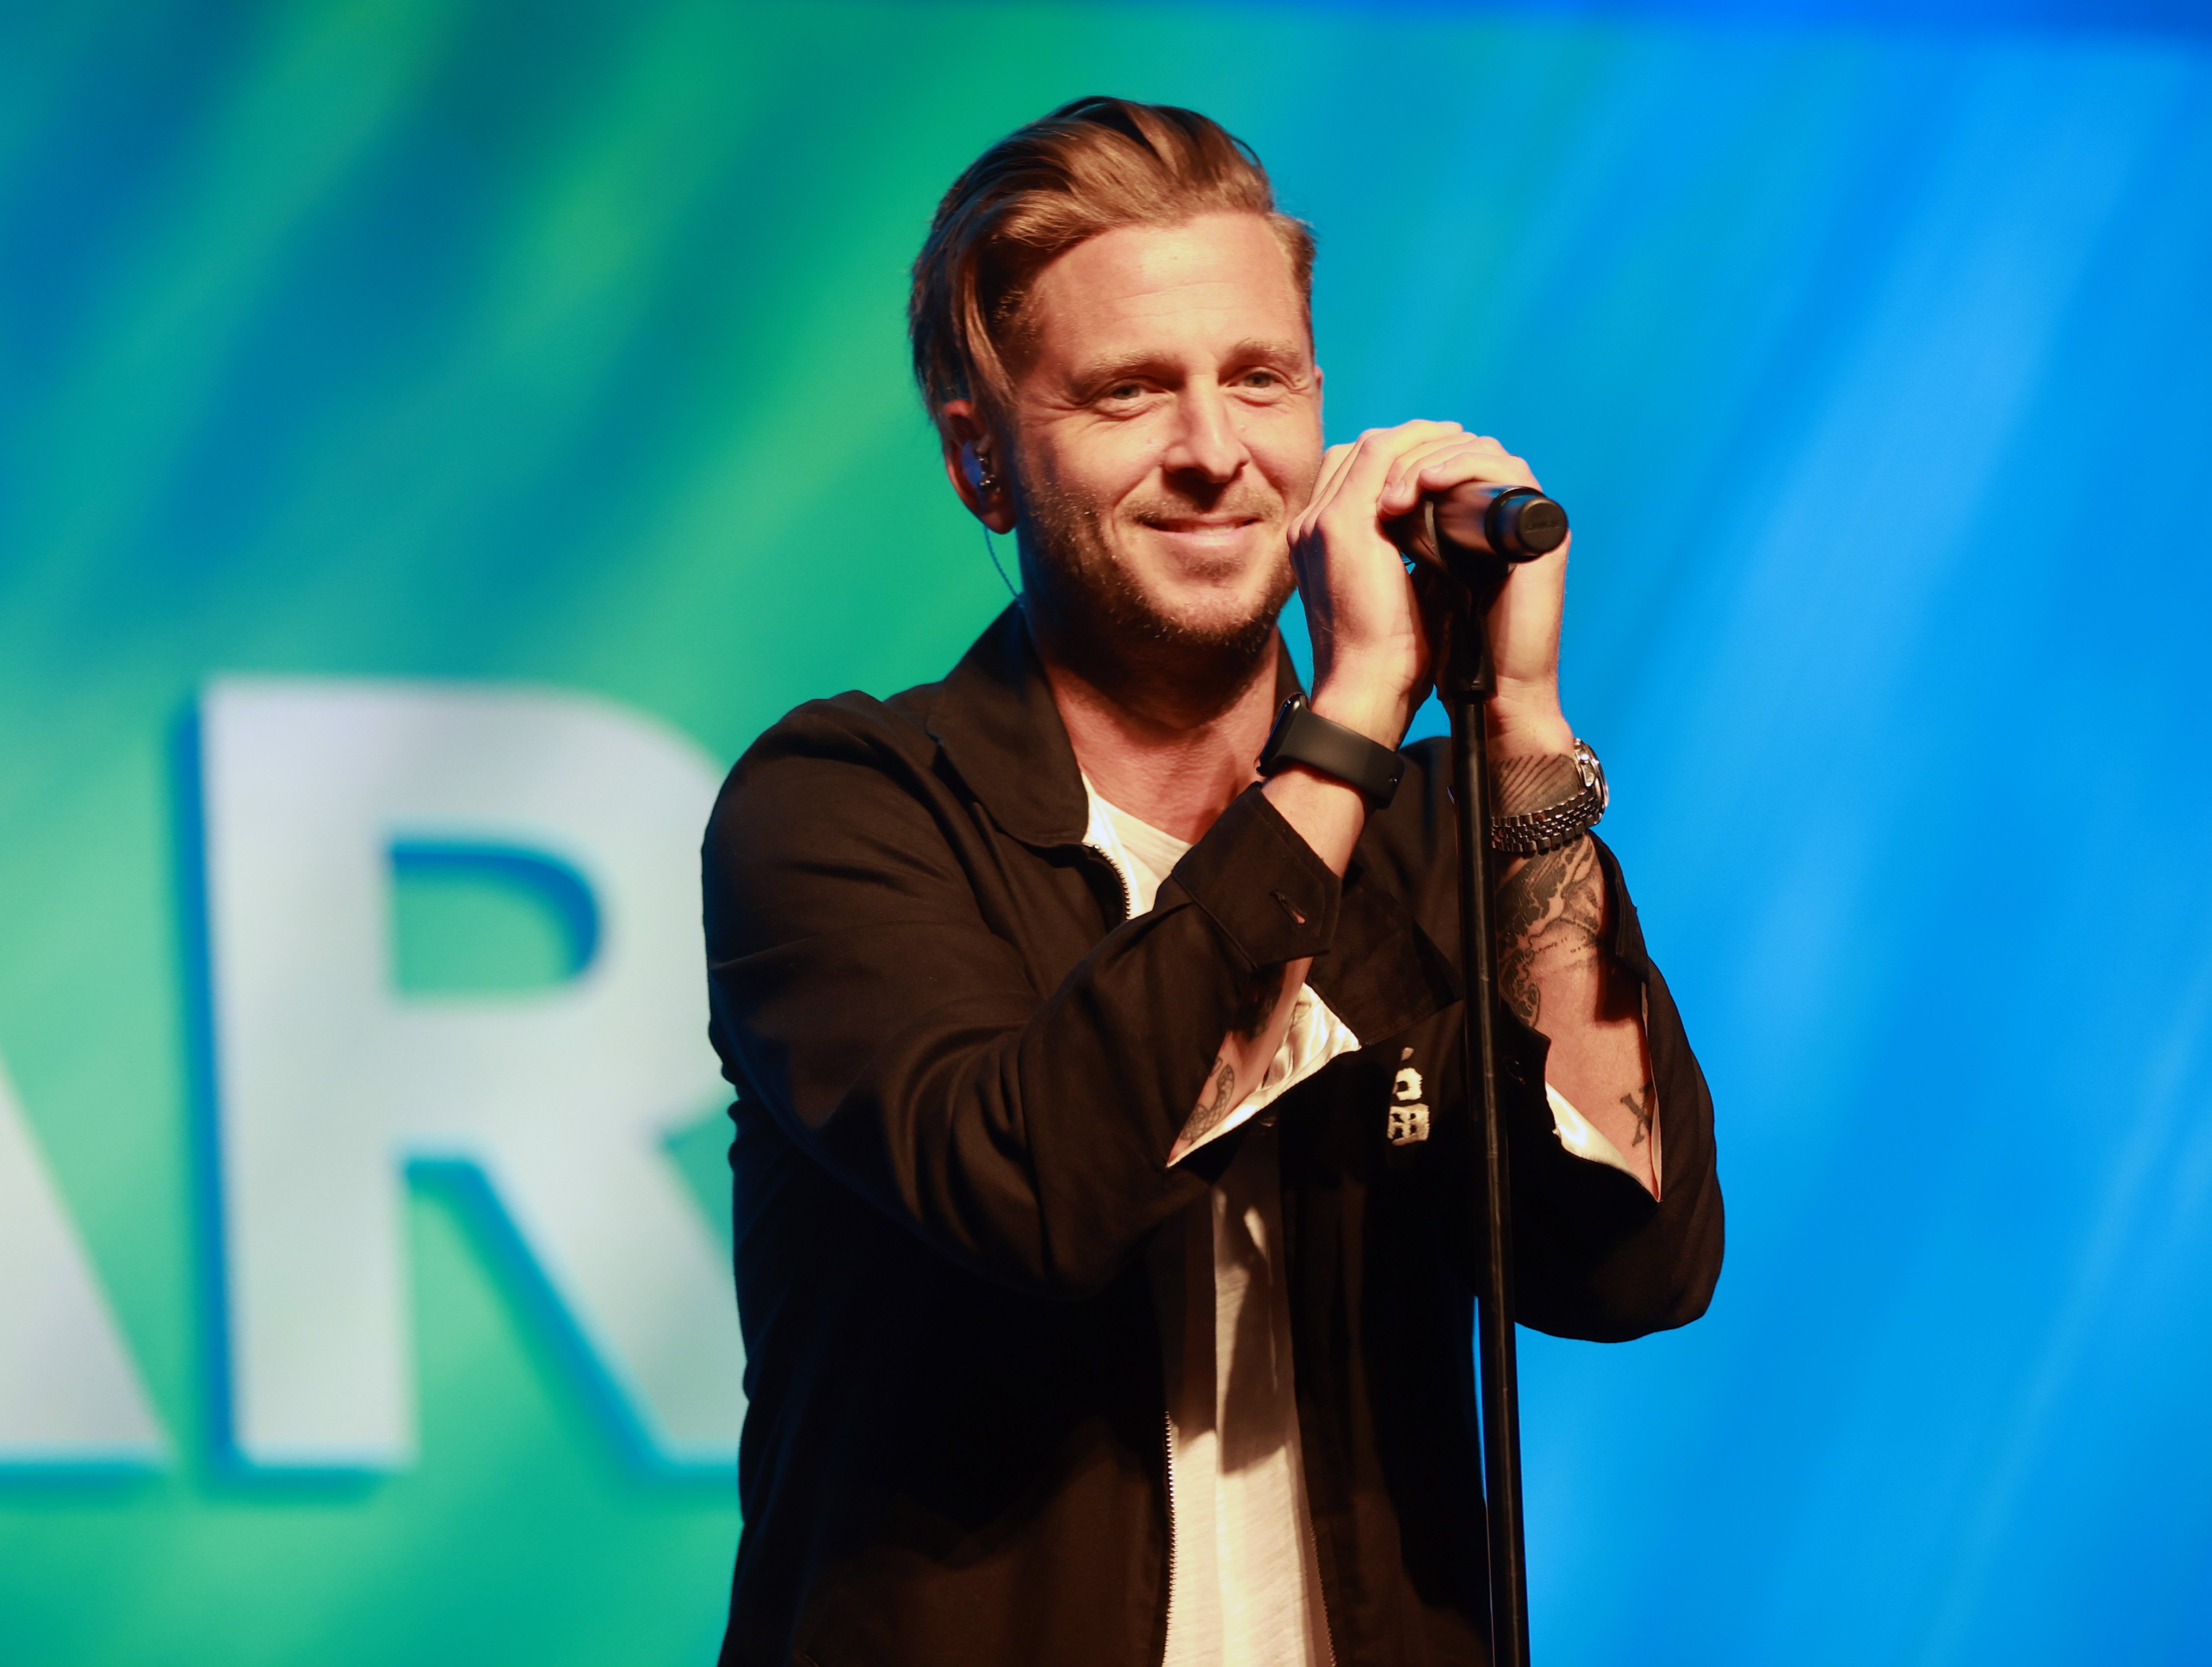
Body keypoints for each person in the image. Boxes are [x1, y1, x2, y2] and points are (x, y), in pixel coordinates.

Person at [702, 96, 1722, 1667]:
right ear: (984, 463)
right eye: (1129, 393)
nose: (1212, 453)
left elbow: (1632, 1264)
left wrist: (1519, 744)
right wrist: (1359, 707)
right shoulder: (848, 805)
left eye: (1259, 380)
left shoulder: (1444, 827)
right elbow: (1043, 1191)